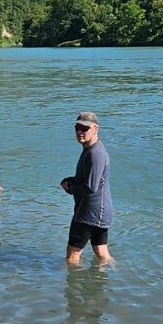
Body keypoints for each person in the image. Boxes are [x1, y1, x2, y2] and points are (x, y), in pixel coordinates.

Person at [60, 111, 113, 264]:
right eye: (77, 128)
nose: (80, 132)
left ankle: (73, 281)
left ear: (96, 129)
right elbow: (90, 178)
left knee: (72, 256)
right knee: (102, 253)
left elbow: (90, 187)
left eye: (84, 128)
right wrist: (72, 180)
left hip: (89, 213)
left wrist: (70, 188)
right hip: (99, 212)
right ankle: (116, 275)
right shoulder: (91, 150)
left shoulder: (95, 153)